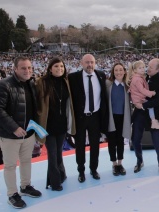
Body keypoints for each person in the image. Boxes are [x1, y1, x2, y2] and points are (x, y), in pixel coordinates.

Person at [0, 56, 42, 209]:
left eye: (29, 68)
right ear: (15, 69)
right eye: (23, 68)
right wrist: (14, 127)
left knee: (26, 161)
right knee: (10, 165)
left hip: (28, 133)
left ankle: (25, 186)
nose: (27, 71)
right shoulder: (3, 85)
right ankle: (12, 194)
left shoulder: (31, 84)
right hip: (9, 135)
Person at [35, 57, 76, 191]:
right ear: (50, 69)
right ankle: (54, 182)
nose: (59, 69)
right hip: (48, 126)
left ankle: (61, 175)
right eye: (56, 66)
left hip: (62, 125)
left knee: (58, 153)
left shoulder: (66, 82)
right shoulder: (42, 82)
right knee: (52, 155)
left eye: (61, 67)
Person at [68, 54, 108, 183]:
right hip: (80, 117)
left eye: (92, 62)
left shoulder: (101, 75)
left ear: (95, 63)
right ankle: (81, 171)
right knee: (79, 146)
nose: (89, 65)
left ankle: (93, 169)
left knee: (95, 145)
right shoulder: (73, 78)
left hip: (95, 117)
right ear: (81, 63)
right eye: (87, 62)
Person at [132, 58, 159, 175]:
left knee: (157, 141)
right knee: (135, 139)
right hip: (140, 114)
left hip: (153, 115)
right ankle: (139, 161)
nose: (147, 69)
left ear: (158, 69)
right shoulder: (143, 76)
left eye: (151, 67)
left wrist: (142, 105)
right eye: (148, 66)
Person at [105, 63, 131, 176]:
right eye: (116, 70)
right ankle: (114, 164)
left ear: (124, 71)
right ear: (113, 72)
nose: (118, 72)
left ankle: (120, 163)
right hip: (111, 117)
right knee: (111, 142)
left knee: (120, 141)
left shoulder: (127, 85)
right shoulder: (108, 84)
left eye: (121, 70)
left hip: (123, 117)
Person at [128, 60, 159, 129]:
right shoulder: (137, 79)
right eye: (140, 68)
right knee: (150, 106)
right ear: (135, 70)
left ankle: (153, 122)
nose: (143, 69)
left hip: (138, 98)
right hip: (139, 99)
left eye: (143, 67)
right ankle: (153, 121)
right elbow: (142, 90)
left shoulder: (139, 77)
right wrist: (151, 93)